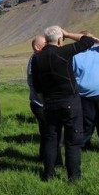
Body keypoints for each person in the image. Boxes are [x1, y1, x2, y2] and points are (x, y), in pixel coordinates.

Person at [32, 26, 95, 182]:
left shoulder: (37, 58)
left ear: (45, 40)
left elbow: (36, 85)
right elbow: (88, 41)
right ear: (60, 40)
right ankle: (73, 177)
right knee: (72, 142)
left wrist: (45, 100)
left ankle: (48, 174)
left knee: (51, 140)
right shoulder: (64, 51)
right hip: (69, 102)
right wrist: (67, 33)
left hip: (49, 103)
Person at [27, 35, 63, 165]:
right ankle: (55, 162)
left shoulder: (39, 59)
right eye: (45, 43)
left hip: (41, 102)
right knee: (52, 134)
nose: (48, 45)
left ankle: (43, 157)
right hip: (41, 103)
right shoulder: (36, 60)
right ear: (37, 47)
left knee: (46, 132)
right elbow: (38, 83)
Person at [73, 33, 99, 149]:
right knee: (86, 123)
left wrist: (97, 39)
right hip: (85, 96)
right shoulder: (75, 55)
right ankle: (84, 146)